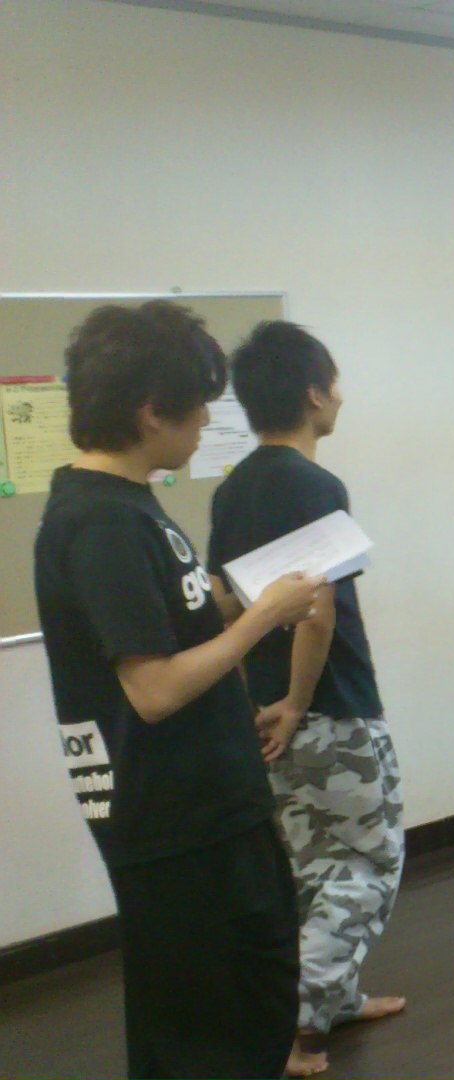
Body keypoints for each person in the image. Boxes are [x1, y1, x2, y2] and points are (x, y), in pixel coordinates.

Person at [34, 300, 321, 1080]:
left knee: (249, 996)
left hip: (211, 800)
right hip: (174, 819)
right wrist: (264, 619)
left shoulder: (132, 505)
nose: (206, 423)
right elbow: (154, 691)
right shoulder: (101, 524)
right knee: (204, 1031)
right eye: (197, 406)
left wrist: (252, 597)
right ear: (150, 410)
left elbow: (179, 627)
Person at [208, 321, 407, 1077]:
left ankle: (336, 997)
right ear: (314, 394)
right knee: (369, 864)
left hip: (266, 715)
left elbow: (225, 604)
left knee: (314, 868)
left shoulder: (232, 489)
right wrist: (297, 700)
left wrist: (265, 702)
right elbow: (316, 612)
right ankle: (305, 1031)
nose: (342, 397)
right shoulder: (317, 486)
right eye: (336, 384)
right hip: (331, 709)